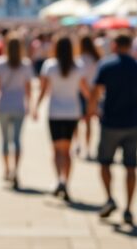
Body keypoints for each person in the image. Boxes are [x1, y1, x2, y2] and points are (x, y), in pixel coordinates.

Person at [90, 32, 137, 225]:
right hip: (132, 122)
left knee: (105, 162)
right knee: (131, 166)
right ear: (130, 46)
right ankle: (129, 208)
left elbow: (94, 90)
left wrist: (92, 110)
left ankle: (109, 198)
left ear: (114, 45)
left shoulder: (106, 65)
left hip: (110, 122)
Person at [34, 36, 90, 202]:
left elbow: (43, 90)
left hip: (55, 112)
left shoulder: (50, 66)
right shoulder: (78, 66)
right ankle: (66, 181)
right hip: (73, 111)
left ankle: (59, 178)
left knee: (57, 149)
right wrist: (93, 106)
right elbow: (85, 90)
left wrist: (36, 106)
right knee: (67, 150)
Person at [0, 34, 33, 189]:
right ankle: (16, 170)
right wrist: (30, 104)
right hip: (18, 105)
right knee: (16, 140)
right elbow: (28, 88)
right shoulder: (26, 64)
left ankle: (7, 169)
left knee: (4, 139)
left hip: (4, 104)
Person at [77, 34, 101, 159]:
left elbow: (82, 80)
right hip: (94, 92)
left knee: (77, 121)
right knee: (89, 123)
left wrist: (87, 95)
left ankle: (78, 144)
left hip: (82, 93)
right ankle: (87, 148)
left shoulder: (80, 60)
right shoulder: (96, 60)